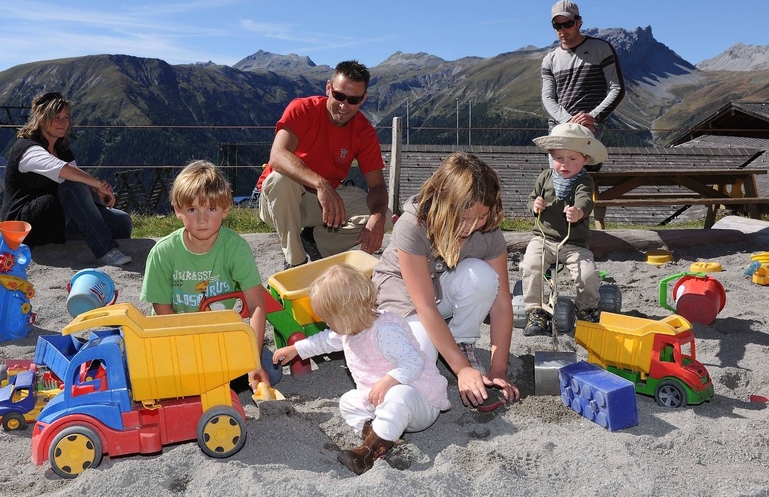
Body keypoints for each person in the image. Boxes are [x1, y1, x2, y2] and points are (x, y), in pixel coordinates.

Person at [371, 152, 520, 410]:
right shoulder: (412, 224)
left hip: (443, 291)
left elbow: (502, 303)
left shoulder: (488, 231)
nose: (471, 226)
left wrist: (499, 368)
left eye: (481, 216)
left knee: (483, 277)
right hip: (404, 294)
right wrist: (461, 369)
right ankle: (450, 357)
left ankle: (461, 342)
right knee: (421, 359)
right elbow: (425, 305)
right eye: (464, 218)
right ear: (443, 204)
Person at [272, 264, 451, 475]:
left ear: (346, 316)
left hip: (419, 401)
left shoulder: (384, 330)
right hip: (383, 404)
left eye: (329, 320)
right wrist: (296, 349)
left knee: (399, 394)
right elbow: (325, 341)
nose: (327, 325)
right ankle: (377, 437)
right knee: (348, 402)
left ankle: (368, 453)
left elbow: (414, 362)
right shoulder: (351, 329)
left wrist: (388, 379)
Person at [140, 160, 276, 389]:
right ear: (178, 211)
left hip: (218, 335)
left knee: (268, 370)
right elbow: (163, 309)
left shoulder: (236, 248)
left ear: (225, 210)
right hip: (174, 336)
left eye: (211, 209)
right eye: (192, 209)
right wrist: (191, 350)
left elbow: (256, 305)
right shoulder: (162, 253)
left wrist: (253, 359)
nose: (202, 219)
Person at [256, 60, 389, 268]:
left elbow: (378, 187)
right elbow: (277, 155)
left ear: (364, 99)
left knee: (384, 216)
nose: (344, 106)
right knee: (281, 180)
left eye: (353, 100)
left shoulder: (364, 132)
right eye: (339, 96)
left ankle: (316, 242)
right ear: (328, 88)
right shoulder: (302, 108)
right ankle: (295, 262)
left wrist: (378, 218)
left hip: (322, 205)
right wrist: (321, 183)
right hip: (279, 201)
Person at [0, 92, 133, 266]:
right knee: (71, 184)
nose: (63, 122)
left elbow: (78, 178)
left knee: (121, 222)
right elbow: (66, 173)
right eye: (56, 117)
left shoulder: (62, 149)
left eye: (66, 117)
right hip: (25, 225)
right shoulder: (27, 149)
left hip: (54, 219)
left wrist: (95, 191)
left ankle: (90, 241)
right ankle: (105, 250)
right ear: (41, 119)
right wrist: (99, 185)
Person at [520, 123, 607, 336]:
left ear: (585, 159)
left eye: (572, 159)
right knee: (531, 264)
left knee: (587, 274)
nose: (564, 164)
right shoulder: (545, 177)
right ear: (551, 157)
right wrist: (534, 205)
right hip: (543, 237)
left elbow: (586, 201)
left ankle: (587, 308)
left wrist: (579, 212)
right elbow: (532, 197)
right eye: (559, 158)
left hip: (574, 243)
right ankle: (536, 310)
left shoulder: (583, 181)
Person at [540, 0, 624, 170]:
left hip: (589, 127)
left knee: (585, 181)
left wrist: (593, 117)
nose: (562, 30)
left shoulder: (601, 49)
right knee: (560, 183)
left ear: (579, 22)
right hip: (559, 128)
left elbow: (617, 88)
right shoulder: (550, 59)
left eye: (568, 23)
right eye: (557, 26)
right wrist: (569, 121)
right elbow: (547, 98)